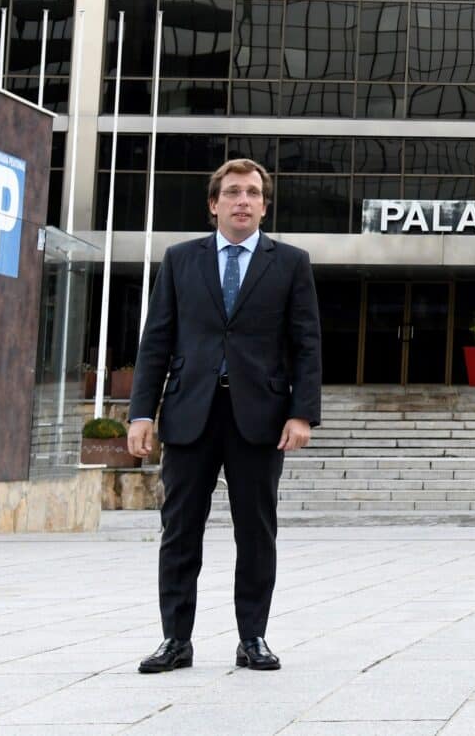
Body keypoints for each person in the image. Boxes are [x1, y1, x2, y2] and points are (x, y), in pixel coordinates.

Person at [126, 159, 321, 674]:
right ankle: (175, 641)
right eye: (233, 192)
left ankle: (253, 638)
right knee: (179, 530)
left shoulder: (291, 263)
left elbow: (307, 344)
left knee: (256, 533)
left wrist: (302, 413)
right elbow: (157, 342)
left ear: (264, 204)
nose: (243, 201)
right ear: (214, 203)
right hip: (190, 414)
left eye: (253, 193)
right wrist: (141, 413)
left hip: (259, 418)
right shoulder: (180, 260)